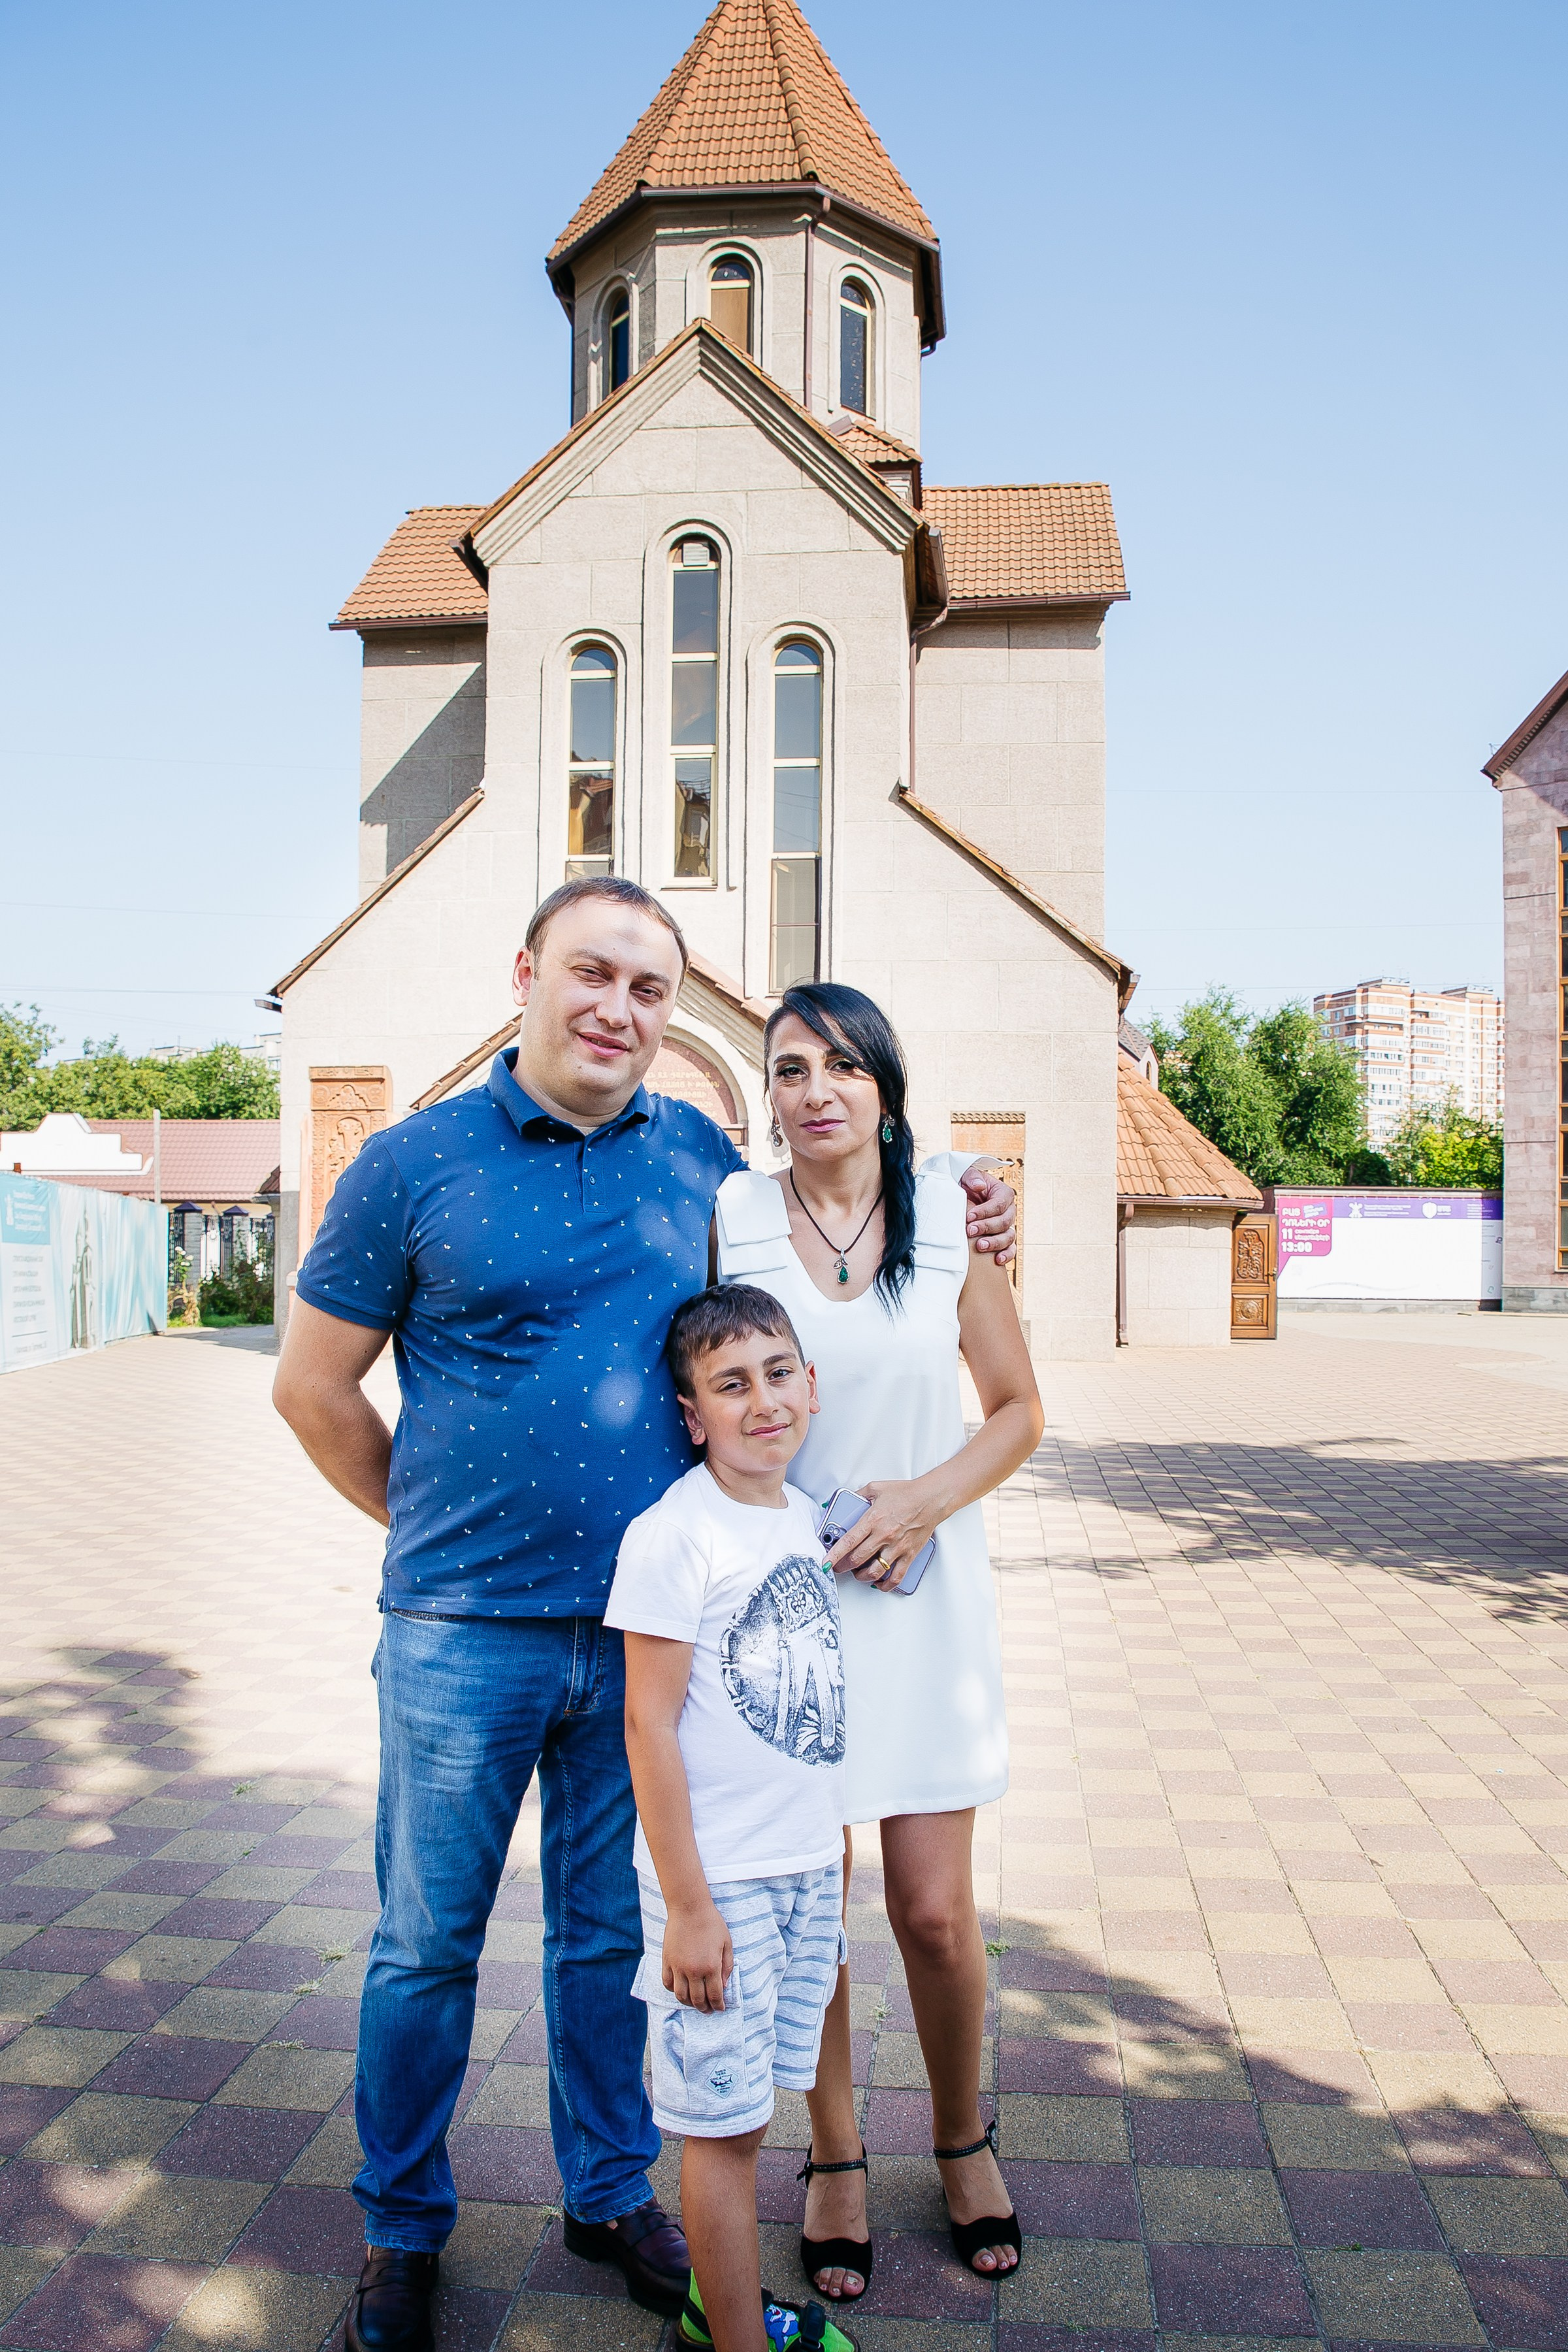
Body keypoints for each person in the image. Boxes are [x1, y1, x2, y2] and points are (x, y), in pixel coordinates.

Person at [271, 879, 1015, 2352]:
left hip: (652, 1647)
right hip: (460, 1635)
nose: (618, 1009)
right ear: (528, 975)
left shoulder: (699, 1161)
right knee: (425, 1943)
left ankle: (610, 2192)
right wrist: (433, 1536)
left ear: (674, 1015)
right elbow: (310, 1388)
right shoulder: (410, 1164)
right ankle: (402, 2228)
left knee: (608, 1937)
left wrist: (987, 1200)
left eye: (651, 989)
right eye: (592, 975)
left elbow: (850, 1202)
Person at [714, 981, 1045, 2302]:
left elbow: (1019, 1409)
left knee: (932, 1911)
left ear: (885, 1089)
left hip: (923, 1595)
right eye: (791, 1068)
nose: (814, 1091)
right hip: (783, 1606)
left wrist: (923, 1500)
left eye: (843, 1066)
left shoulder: (955, 1219)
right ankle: (836, 2152)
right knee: (811, 1910)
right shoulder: (733, 1214)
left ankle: (962, 2136)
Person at [608, 1284, 858, 2352]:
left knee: (757, 2107)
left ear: (811, 1382)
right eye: (730, 1384)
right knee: (721, 2132)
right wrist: (688, 1908)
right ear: (691, 1412)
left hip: (806, 1872)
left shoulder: (809, 1520)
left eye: (778, 1372)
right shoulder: (674, 1536)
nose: (763, 1400)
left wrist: (835, 1849)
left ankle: (726, 2308)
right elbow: (647, 1729)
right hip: (720, 1891)